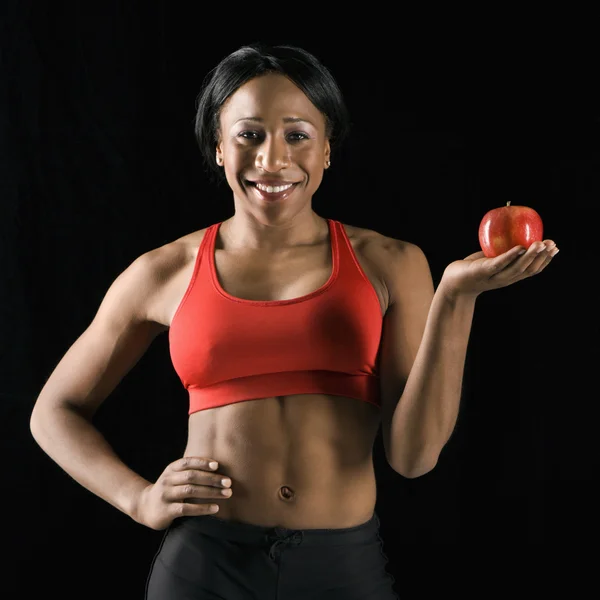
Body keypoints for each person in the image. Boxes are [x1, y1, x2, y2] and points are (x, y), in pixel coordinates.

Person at [29, 43, 559, 599]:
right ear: (218, 148)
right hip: (204, 567)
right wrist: (138, 499)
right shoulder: (163, 271)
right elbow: (53, 412)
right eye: (249, 134)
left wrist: (455, 299)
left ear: (327, 149)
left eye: (297, 135)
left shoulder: (391, 263)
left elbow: (413, 457)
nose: (273, 159)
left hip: (343, 569)